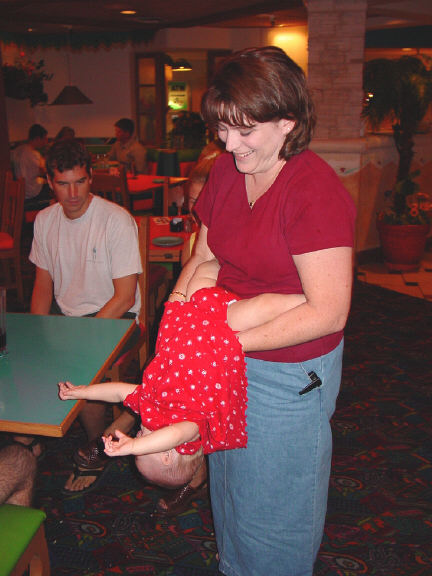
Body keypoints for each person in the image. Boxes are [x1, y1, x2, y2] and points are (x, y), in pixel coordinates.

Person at [168, 46, 356, 576]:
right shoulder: (228, 172)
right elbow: (204, 256)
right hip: (231, 350)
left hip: (290, 374)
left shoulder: (313, 191)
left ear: (287, 122)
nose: (229, 143)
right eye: (223, 129)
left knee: (274, 517)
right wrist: (177, 322)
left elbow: (327, 313)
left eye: (244, 130)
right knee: (230, 494)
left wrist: (218, 343)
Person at [58, 259, 306, 490]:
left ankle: (228, 257)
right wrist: (133, 446)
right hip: (221, 327)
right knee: (264, 307)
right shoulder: (190, 430)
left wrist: (82, 391)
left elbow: (119, 391)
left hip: (188, 319)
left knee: (204, 271)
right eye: (143, 443)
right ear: (167, 454)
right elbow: (172, 435)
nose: (138, 434)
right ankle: (309, 301)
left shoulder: (151, 406)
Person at [27, 138, 142, 495]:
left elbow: (124, 298)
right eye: (63, 183)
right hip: (69, 317)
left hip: (117, 319)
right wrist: (37, 330)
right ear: (50, 182)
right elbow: (43, 284)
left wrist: (78, 336)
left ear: (91, 177)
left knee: (82, 367)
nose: (72, 192)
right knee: (23, 356)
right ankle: (32, 435)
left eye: (80, 181)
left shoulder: (115, 220)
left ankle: (98, 446)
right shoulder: (44, 221)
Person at [12, 123, 51, 208]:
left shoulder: (18, 150)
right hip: (31, 192)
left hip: (20, 191)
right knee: (53, 188)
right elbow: (45, 171)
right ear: (37, 139)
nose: (45, 141)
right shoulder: (33, 154)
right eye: (44, 138)